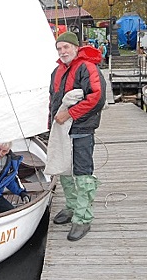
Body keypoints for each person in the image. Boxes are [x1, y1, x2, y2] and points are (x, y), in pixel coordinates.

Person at [48, 31, 106, 241]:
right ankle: (72, 207)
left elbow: (97, 98)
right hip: (62, 131)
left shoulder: (87, 67)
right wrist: (51, 126)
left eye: (66, 47)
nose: (63, 51)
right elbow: (53, 101)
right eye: (59, 48)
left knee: (82, 174)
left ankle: (83, 218)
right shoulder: (56, 71)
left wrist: (70, 113)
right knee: (65, 171)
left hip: (81, 130)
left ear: (75, 47)